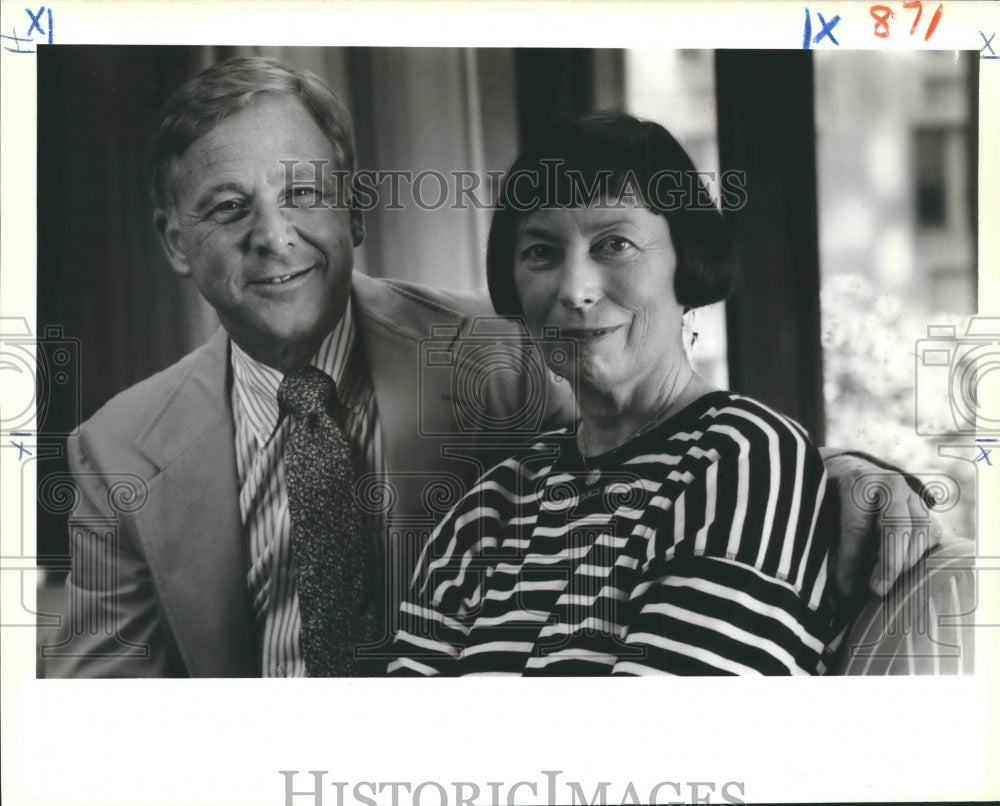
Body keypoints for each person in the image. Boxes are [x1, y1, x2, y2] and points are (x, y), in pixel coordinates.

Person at [50, 57, 930, 678]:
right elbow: (101, 721)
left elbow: (693, 450)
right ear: (176, 241)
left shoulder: (496, 361)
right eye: (229, 208)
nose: (274, 237)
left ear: (356, 210)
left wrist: (843, 474)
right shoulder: (117, 449)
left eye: (305, 194)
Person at [390, 113, 854, 675]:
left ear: (688, 260)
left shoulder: (745, 458)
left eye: (615, 243)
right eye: (540, 252)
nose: (575, 290)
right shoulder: (491, 504)